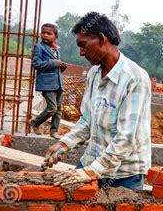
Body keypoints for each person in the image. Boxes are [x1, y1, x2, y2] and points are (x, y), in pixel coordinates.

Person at [43, 12, 151, 190]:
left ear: (101, 39)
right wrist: (65, 143)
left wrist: (92, 171)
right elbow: (87, 119)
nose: (81, 52)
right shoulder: (94, 73)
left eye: (83, 45)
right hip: (92, 161)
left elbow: (126, 137)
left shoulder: (135, 78)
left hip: (123, 173)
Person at [30, 23, 67, 139]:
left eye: (49, 33)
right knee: (52, 108)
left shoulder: (56, 49)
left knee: (59, 109)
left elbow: (55, 65)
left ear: (56, 36)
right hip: (47, 84)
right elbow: (36, 64)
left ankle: (54, 131)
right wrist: (54, 63)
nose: (45, 35)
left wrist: (61, 66)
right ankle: (35, 122)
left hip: (58, 83)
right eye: (43, 33)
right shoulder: (39, 47)